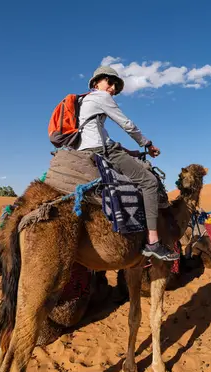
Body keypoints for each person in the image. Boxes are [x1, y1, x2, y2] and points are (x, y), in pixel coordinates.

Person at [77, 65, 179, 261]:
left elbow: (98, 134)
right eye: (109, 81)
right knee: (149, 182)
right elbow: (127, 124)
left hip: (87, 149)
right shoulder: (101, 97)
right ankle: (153, 242)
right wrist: (146, 144)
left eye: (115, 84)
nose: (113, 88)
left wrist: (128, 151)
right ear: (97, 82)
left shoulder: (84, 101)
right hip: (103, 151)